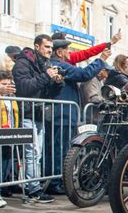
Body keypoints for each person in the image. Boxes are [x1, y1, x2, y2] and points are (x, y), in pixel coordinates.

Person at [46, 39, 111, 194]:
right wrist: (101, 60)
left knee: (56, 148)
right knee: (60, 149)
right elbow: (83, 74)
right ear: (59, 52)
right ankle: (55, 182)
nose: (70, 53)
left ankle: (54, 180)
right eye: (67, 50)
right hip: (62, 114)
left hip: (62, 114)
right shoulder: (59, 66)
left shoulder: (56, 65)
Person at [12, 34, 64, 203]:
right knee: (31, 153)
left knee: (37, 153)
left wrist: (57, 82)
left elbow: (49, 93)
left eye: (51, 47)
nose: (50, 50)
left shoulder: (46, 64)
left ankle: (33, 186)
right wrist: (46, 76)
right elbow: (25, 88)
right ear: (37, 46)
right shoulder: (23, 63)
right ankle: (33, 189)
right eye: (47, 47)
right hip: (27, 113)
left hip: (40, 114)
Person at [0, 70, 20, 208]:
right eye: (3, 84)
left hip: (9, 135)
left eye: (9, 84)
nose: (7, 87)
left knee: (6, 165)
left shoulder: (12, 97)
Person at [52, 31, 121, 66]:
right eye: (66, 47)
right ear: (59, 51)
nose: (69, 50)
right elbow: (87, 53)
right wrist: (110, 43)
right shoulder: (69, 57)